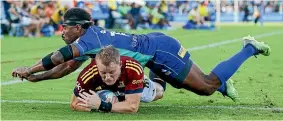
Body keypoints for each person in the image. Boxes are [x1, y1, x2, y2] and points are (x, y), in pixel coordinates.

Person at [12, 8, 271, 102]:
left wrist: (30, 70)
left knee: (207, 87)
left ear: (78, 28)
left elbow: (58, 58)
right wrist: (40, 78)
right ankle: (224, 84)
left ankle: (248, 48)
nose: (62, 32)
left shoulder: (89, 39)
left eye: (65, 28)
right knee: (187, 86)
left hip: (161, 51)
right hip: (153, 47)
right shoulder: (89, 41)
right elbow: (65, 68)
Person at [70, 46, 164, 113]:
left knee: (158, 92)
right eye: (103, 73)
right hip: (104, 89)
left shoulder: (133, 68)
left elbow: (132, 107)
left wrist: (101, 105)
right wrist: (92, 105)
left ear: (120, 65)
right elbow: (74, 104)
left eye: (111, 72)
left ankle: (158, 75)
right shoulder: (88, 74)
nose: (107, 77)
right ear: (97, 66)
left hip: (128, 84)